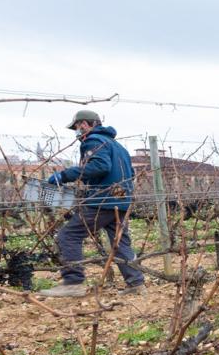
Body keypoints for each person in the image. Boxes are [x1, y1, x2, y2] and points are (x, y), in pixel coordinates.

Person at [39, 110, 144, 297]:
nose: (76, 133)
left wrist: (64, 176)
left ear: (85, 124)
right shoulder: (117, 146)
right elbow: (130, 174)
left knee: (68, 235)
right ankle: (136, 283)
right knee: (119, 243)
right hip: (120, 200)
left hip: (103, 201)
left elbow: (100, 166)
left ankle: (73, 283)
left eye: (77, 128)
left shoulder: (93, 140)